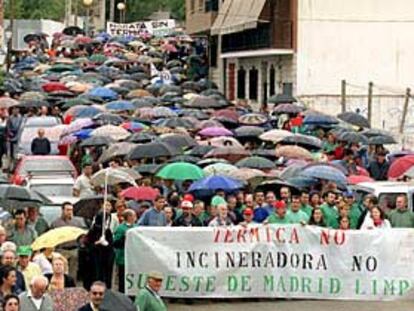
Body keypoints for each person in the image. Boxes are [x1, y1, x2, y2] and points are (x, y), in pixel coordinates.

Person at [50, 202, 85, 282]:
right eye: (67, 210)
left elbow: (81, 237)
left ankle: (71, 287)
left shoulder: (77, 223)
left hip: (74, 250)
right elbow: (52, 238)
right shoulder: (56, 223)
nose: (70, 212)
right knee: (61, 271)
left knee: (73, 273)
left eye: (71, 210)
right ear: (62, 210)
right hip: (61, 250)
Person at [113, 209, 137, 293]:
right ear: (129, 217)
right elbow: (116, 243)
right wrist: (124, 237)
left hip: (133, 257)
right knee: (122, 278)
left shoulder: (136, 227)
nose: (135, 217)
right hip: (122, 258)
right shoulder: (121, 228)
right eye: (134, 216)